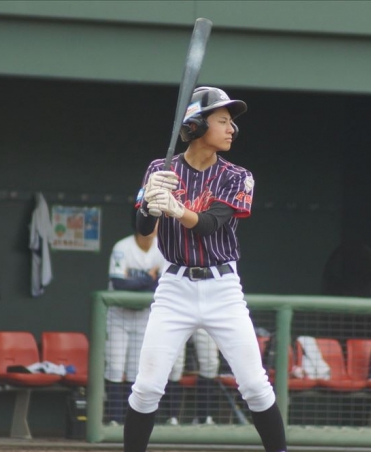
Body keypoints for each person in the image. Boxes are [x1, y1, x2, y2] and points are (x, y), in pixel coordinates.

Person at [126, 86, 287, 452]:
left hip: (222, 288)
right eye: (223, 121)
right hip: (174, 288)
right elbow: (143, 229)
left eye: (231, 122)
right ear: (195, 126)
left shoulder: (237, 175)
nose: (232, 129)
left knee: (255, 385)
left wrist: (176, 208)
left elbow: (210, 224)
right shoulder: (159, 169)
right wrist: (150, 203)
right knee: (147, 387)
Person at [105, 207, 166, 425]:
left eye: (157, 220)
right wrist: (148, 279)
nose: (154, 225)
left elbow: (162, 285)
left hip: (144, 316)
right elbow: (119, 283)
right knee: (115, 367)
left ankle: (129, 420)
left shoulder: (163, 247)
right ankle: (114, 418)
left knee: (135, 370)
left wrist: (138, 282)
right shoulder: (122, 247)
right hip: (119, 316)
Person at [165, 328, 220, 426]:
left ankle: (202, 418)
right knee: (175, 366)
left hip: (205, 320)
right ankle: (171, 417)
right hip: (178, 319)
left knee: (211, 363)